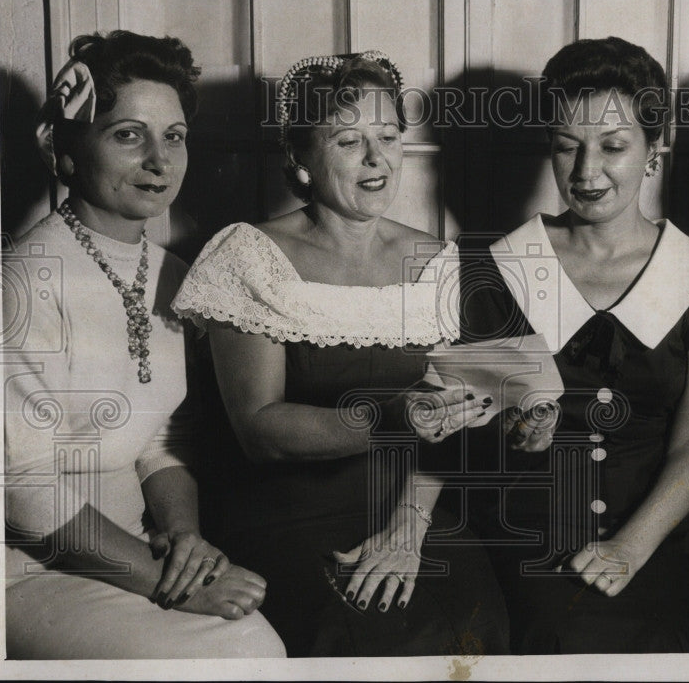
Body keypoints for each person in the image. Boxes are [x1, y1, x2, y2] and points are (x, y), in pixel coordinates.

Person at [172, 51, 509, 656]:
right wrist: (392, 419)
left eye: (388, 137)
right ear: (299, 159)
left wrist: (409, 526)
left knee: (477, 633)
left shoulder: (439, 262)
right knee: (375, 640)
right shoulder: (249, 257)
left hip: (414, 508)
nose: (377, 159)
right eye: (349, 141)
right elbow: (260, 429)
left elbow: (457, 417)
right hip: (290, 514)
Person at [3, 30, 285, 659]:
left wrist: (185, 542)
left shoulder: (177, 275)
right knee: (241, 656)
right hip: (28, 569)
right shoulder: (23, 283)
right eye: (128, 134)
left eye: (175, 136)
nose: (160, 160)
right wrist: (166, 581)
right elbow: (23, 492)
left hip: (137, 545)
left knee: (258, 642)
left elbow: (164, 441)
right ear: (69, 149)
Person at [456, 36, 689, 653]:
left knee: (666, 644)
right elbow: (472, 416)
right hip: (534, 524)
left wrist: (631, 547)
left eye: (613, 147)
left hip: (660, 528)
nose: (586, 173)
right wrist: (515, 430)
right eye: (566, 147)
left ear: (653, 148)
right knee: (553, 637)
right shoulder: (508, 263)